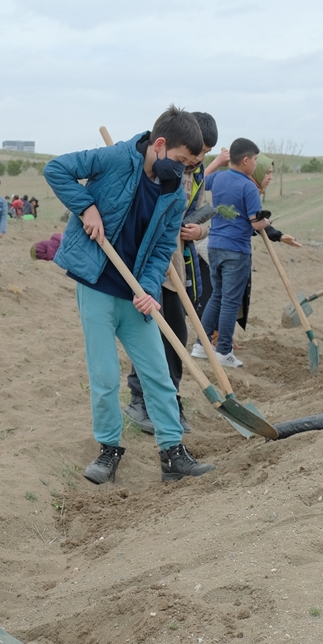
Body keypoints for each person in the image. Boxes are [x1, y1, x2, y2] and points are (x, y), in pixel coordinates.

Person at [44, 105, 215, 484]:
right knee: (104, 376)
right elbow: (56, 169)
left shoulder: (175, 192)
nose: (186, 170)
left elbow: (159, 250)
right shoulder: (117, 157)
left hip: (136, 292)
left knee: (157, 374)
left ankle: (173, 453)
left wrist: (151, 290)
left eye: (190, 165)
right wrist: (86, 207)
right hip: (97, 287)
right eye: (183, 161)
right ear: (159, 144)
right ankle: (108, 451)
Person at [126, 110, 218, 436]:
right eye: (198, 153)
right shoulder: (166, 166)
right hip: (151, 263)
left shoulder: (197, 171)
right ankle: (140, 400)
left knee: (177, 334)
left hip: (176, 261)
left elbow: (200, 211)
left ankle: (170, 400)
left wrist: (198, 231)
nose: (198, 160)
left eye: (204, 154)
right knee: (150, 330)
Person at [197, 139, 270, 367]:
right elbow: (254, 223)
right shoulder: (248, 186)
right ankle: (224, 351)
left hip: (215, 246)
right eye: (255, 160)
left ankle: (201, 344)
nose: (256, 164)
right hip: (236, 250)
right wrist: (267, 221)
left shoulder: (218, 178)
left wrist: (217, 162)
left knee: (217, 296)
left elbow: (200, 179)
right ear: (246, 160)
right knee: (230, 301)